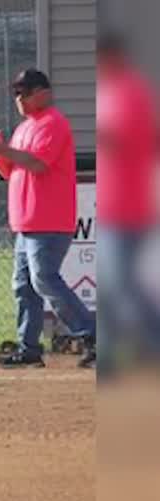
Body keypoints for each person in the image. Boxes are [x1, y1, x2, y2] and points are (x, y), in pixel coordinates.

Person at [0, 68, 96, 369]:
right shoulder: (24, 128)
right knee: (24, 286)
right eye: (16, 93)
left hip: (49, 221)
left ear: (43, 93)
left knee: (44, 279)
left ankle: (93, 335)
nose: (19, 98)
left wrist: (4, 148)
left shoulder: (54, 123)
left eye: (24, 92)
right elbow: (10, 171)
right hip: (26, 224)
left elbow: (38, 164)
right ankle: (29, 349)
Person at [95, 31, 159, 379]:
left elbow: (120, 139)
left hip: (128, 207)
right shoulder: (107, 92)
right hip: (111, 206)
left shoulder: (129, 92)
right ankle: (107, 358)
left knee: (124, 288)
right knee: (113, 288)